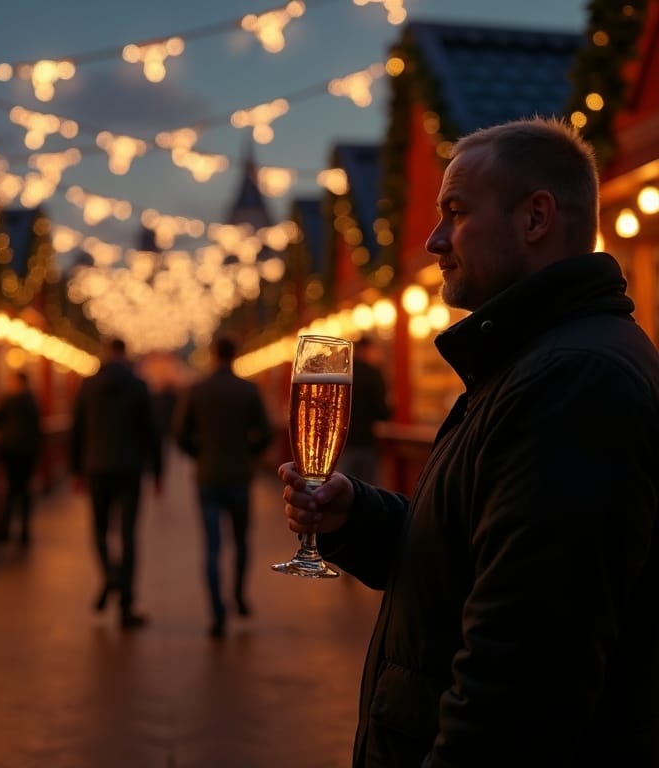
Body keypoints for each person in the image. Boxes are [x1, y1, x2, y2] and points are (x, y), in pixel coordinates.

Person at [279, 116, 659, 767]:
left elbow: (522, 677)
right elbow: (475, 556)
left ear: (535, 218)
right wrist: (361, 517)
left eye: (455, 212)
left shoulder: (572, 380)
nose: (432, 240)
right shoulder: (528, 360)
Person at [174, 334, 272, 638]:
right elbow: (266, 433)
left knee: (212, 546)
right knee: (241, 541)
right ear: (235, 354)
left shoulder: (197, 390)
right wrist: (249, 454)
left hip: (208, 477)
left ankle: (217, 613)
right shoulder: (248, 390)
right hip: (240, 476)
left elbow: (179, 433)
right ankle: (239, 596)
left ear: (212, 354)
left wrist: (199, 454)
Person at [70, 337, 161, 630]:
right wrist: (158, 472)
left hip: (96, 466)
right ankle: (126, 604)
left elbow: (77, 429)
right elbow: (151, 432)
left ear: (106, 353)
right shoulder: (138, 385)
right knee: (128, 533)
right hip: (130, 468)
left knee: (99, 528)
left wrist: (76, 471)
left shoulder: (88, 385)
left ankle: (110, 575)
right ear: (126, 353)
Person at [0, 369, 43, 546]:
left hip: (12, 452)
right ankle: (24, 531)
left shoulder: (11, 400)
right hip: (28, 452)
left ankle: (5, 530)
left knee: (12, 490)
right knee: (24, 491)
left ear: (18, 382)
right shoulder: (33, 400)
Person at [337, 334, 391, 484]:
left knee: (342, 490)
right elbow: (382, 412)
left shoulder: (342, 374)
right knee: (366, 493)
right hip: (367, 443)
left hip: (344, 444)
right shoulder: (373, 373)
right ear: (366, 349)